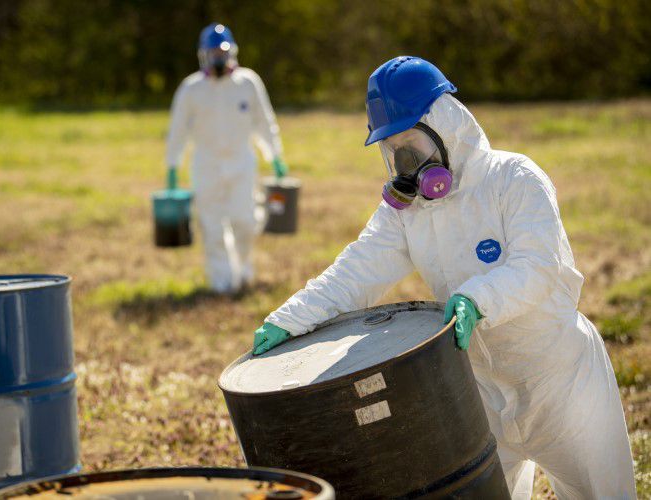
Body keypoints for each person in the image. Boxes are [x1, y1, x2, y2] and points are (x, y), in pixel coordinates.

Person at [252, 56, 636, 499]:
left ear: (445, 126)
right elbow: (354, 273)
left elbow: (539, 266)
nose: (404, 161)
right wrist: (289, 319)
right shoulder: (406, 212)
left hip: (561, 383)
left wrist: (477, 299)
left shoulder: (513, 178)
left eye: (411, 144)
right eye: (392, 149)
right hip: (479, 393)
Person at [165, 23, 287, 294]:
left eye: (222, 53)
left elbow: (264, 122)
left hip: (242, 163)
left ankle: (243, 272)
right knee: (212, 225)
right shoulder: (191, 89)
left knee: (245, 220)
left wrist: (275, 156)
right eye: (213, 54)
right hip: (206, 166)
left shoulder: (248, 83)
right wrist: (172, 166)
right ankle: (221, 283)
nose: (219, 59)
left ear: (231, 52)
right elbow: (177, 131)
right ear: (204, 55)